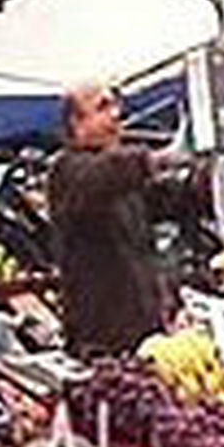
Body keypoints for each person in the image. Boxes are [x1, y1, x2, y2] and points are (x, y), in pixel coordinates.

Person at [49, 83, 190, 358]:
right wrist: (157, 159)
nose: (116, 115)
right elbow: (101, 177)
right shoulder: (66, 172)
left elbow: (171, 199)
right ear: (76, 123)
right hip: (102, 344)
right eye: (103, 107)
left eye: (115, 106)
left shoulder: (124, 183)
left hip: (145, 337)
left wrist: (210, 177)